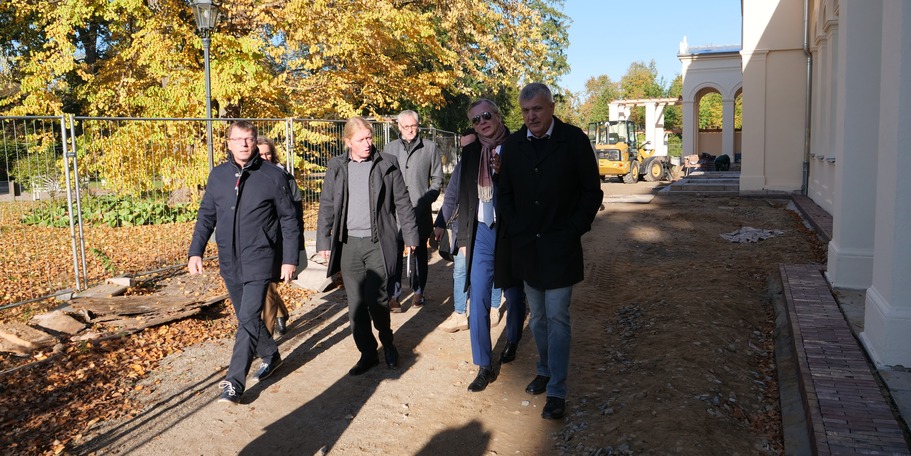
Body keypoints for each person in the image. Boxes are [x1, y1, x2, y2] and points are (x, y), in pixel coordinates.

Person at [497, 83, 603, 419]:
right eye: (526, 111)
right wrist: (515, 228)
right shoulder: (512, 145)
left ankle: (557, 388)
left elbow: (592, 192)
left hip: (561, 246)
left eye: (537, 110)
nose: (531, 117)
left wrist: (573, 229)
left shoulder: (574, 141)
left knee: (558, 316)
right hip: (528, 247)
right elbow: (506, 194)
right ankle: (543, 369)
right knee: (538, 317)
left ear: (551, 107)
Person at [188, 120, 300, 405]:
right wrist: (195, 251)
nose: (244, 144)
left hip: (260, 258)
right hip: (229, 259)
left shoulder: (273, 176)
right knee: (245, 317)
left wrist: (289, 259)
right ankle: (271, 355)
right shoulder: (218, 176)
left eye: (249, 139)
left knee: (248, 318)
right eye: (238, 139)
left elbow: (289, 219)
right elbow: (206, 217)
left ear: (255, 142)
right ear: (228, 143)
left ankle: (234, 382)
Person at [316, 116, 419, 376]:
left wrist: (411, 236)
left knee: (378, 301)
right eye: (361, 139)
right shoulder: (337, 166)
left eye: (370, 138)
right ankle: (367, 353)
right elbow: (327, 205)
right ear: (348, 141)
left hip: (377, 244)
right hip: (348, 245)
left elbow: (403, 203)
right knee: (356, 305)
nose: (367, 144)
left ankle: (388, 341)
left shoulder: (387, 163)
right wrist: (323, 241)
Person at [455, 99, 527, 393]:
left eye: (486, 115)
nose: (482, 121)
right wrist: (462, 241)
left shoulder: (518, 146)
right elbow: (462, 196)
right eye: (476, 119)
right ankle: (484, 364)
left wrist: (502, 171)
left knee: (513, 291)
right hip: (482, 232)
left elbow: (527, 190)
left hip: (509, 231)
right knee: (479, 297)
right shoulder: (471, 152)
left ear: (497, 116)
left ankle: (512, 340)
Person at [434, 129, 504, 334]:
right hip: (462, 228)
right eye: (462, 147)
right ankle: (459, 313)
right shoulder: (461, 167)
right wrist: (439, 223)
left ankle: (493, 307)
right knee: (460, 270)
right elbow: (450, 197)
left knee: (494, 267)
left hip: (490, 226)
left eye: (469, 146)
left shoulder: (495, 163)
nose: (466, 150)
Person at [382, 110, 443, 312]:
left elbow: (437, 180)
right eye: (406, 126)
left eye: (413, 126)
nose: (410, 130)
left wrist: (426, 199)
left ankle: (418, 292)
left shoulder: (430, 148)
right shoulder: (389, 149)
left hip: (420, 211)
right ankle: (394, 295)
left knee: (419, 255)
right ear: (399, 127)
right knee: (395, 254)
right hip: (395, 213)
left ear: (419, 125)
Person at [256, 136, 294, 337]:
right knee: (267, 288)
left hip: (280, 239)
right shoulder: (251, 176)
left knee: (268, 288)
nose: (265, 157)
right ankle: (281, 313)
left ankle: (266, 339)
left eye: (267, 153)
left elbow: (293, 212)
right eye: (260, 154)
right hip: (260, 241)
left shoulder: (283, 176)